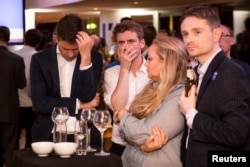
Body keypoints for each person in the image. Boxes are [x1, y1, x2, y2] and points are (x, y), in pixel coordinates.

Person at [179, 6, 250, 167]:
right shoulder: (198, 71)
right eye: (185, 34)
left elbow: (237, 134)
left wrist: (191, 115)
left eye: (197, 32)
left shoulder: (230, 72)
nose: (189, 39)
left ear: (216, 34)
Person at [30, 14, 103, 142]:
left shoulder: (94, 58)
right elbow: (40, 104)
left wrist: (85, 57)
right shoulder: (40, 60)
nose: (70, 54)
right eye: (65, 49)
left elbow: (87, 96)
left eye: (75, 49)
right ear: (56, 38)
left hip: (85, 133)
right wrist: (79, 104)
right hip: (48, 133)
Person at [116, 36, 187, 167]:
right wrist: (143, 146)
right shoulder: (152, 86)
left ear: (167, 62)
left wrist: (123, 115)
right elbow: (124, 133)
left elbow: (142, 133)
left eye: (150, 59)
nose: (145, 64)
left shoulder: (180, 95)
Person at [104, 20, 150, 156]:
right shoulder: (111, 73)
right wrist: (124, 68)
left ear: (141, 44)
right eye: (121, 42)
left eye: (131, 41)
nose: (126, 47)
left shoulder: (154, 70)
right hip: (120, 143)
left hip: (148, 140)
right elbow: (118, 107)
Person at [0, 26, 26, 167]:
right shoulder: (16, 59)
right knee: (11, 151)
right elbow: (22, 84)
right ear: (8, 39)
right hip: (9, 110)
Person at [14, 28, 42, 149]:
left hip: (15, 102)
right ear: (38, 43)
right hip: (32, 103)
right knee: (31, 139)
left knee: (14, 137)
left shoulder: (14, 56)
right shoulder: (39, 57)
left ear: (24, 39)